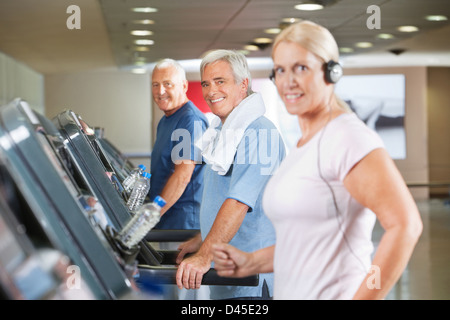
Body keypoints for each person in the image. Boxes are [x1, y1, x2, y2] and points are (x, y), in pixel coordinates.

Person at [212, 21, 423, 300]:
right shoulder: (304, 144)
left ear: (330, 72)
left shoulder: (347, 137)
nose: (289, 81)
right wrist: (252, 262)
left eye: (301, 68)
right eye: (281, 70)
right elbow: (305, 242)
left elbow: (406, 225)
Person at [175, 50, 286, 299]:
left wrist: (204, 255)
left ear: (243, 84)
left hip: (251, 279)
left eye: (220, 81)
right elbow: (220, 196)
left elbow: (238, 202)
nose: (211, 91)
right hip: (225, 272)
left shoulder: (259, 133)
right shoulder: (222, 131)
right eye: (205, 83)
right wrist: (203, 238)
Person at [150, 58, 208, 230]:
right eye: (155, 84)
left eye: (168, 84)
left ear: (184, 86)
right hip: (166, 218)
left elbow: (182, 176)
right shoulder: (165, 120)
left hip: (183, 223)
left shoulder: (190, 120)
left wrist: (152, 215)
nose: (160, 91)